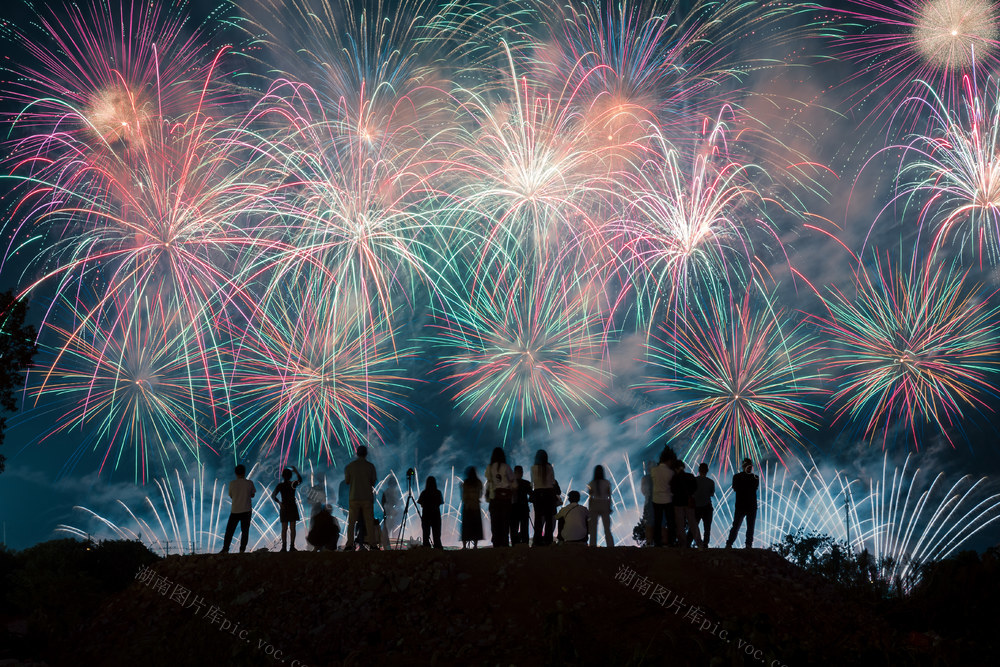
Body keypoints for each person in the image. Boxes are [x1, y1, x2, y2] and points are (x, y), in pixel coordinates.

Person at [343, 445, 378, 550]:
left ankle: (349, 544)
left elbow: (347, 481)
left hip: (354, 497)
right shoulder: (370, 466)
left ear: (357, 453)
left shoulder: (350, 466)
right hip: (367, 497)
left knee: (352, 523)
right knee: (369, 522)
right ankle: (372, 544)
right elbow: (373, 482)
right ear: (366, 454)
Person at [220, 464, 257, 553]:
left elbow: (231, 496)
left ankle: (225, 549)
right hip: (247, 510)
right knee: (245, 531)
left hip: (235, 510)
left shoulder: (232, 483)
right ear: (244, 473)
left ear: (236, 473)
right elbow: (252, 495)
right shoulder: (249, 483)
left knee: (229, 531)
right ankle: (242, 550)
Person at [484, 447, 515, 547]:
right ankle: (505, 544)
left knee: (495, 523)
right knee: (505, 523)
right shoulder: (506, 467)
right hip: (506, 500)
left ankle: (496, 544)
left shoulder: (489, 467)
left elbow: (488, 483)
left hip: (494, 498)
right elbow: (514, 483)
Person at [726, 458, 760, 549]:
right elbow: (753, 488)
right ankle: (747, 545)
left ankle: (729, 544)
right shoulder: (755, 478)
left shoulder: (737, 477)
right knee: (748, 526)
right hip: (750, 505)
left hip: (742, 505)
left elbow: (735, 488)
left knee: (737, 526)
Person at [670, 461, 703, 549]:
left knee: (680, 525)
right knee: (693, 523)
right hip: (689, 503)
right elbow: (695, 488)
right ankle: (699, 543)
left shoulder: (674, 478)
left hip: (678, 503)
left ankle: (683, 545)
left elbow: (672, 490)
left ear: (676, 468)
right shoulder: (690, 476)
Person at [271, 466, 303, 552]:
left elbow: (273, 496)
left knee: (284, 528)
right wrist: (296, 471)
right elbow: (300, 480)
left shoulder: (280, 485)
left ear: (283, 476)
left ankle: (284, 547)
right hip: (292, 506)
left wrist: (280, 503)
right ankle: (292, 546)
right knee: (293, 528)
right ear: (290, 476)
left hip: (284, 507)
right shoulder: (293, 484)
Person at [530, 449, 558, 546]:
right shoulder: (549, 468)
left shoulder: (533, 468)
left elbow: (532, 483)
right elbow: (553, 481)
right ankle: (548, 540)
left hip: (538, 494)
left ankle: (537, 541)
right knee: (549, 519)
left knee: (538, 518)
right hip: (549, 493)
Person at [650, 447, 676, 547]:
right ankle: (671, 541)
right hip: (668, 499)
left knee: (657, 521)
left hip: (656, 499)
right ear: (668, 461)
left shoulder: (653, 471)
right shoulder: (671, 473)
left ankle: (657, 542)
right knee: (670, 522)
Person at [587, 465, 613, 547]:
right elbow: (609, 496)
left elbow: (590, 498)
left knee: (593, 528)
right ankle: (610, 545)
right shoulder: (607, 483)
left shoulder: (591, 483)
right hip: (604, 503)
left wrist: (589, 508)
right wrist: (609, 506)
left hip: (594, 504)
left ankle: (592, 545)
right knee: (607, 528)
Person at [693, 462, 716, 548]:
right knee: (707, 527)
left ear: (699, 470)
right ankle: (705, 543)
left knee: (694, 526)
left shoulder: (694, 480)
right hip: (707, 506)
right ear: (707, 471)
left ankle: (691, 542)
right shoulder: (711, 482)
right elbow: (712, 494)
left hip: (696, 506)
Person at [418, 476, 444, 549]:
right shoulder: (438, 492)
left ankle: (426, 546)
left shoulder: (424, 493)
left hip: (426, 515)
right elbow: (440, 502)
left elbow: (421, 503)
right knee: (437, 533)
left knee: (426, 533)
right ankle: (437, 546)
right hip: (436, 515)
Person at [461, 466, 484, 548]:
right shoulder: (479, 482)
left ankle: (464, 546)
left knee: (466, 527)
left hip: (467, 507)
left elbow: (463, 496)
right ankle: (475, 546)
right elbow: (481, 494)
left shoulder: (465, 483)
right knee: (476, 527)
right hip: (476, 507)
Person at [510, 465, 532, 545]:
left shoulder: (510, 483)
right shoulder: (526, 483)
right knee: (524, 528)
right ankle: (525, 543)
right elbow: (532, 495)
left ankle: (514, 544)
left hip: (513, 508)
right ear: (522, 473)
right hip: (524, 508)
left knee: (513, 528)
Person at [380, 485, 401, 550]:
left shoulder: (386, 492)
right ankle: (394, 547)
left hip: (387, 515)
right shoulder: (394, 492)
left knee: (386, 533)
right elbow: (398, 503)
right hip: (391, 515)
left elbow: (383, 503)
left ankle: (388, 548)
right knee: (394, 531)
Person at [640, 461, 654, 545]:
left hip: (648, 502)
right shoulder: (657, 477)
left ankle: (649, 543)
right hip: (659, 501)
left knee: (648, 523)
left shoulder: (645, 478)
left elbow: (643, 491)